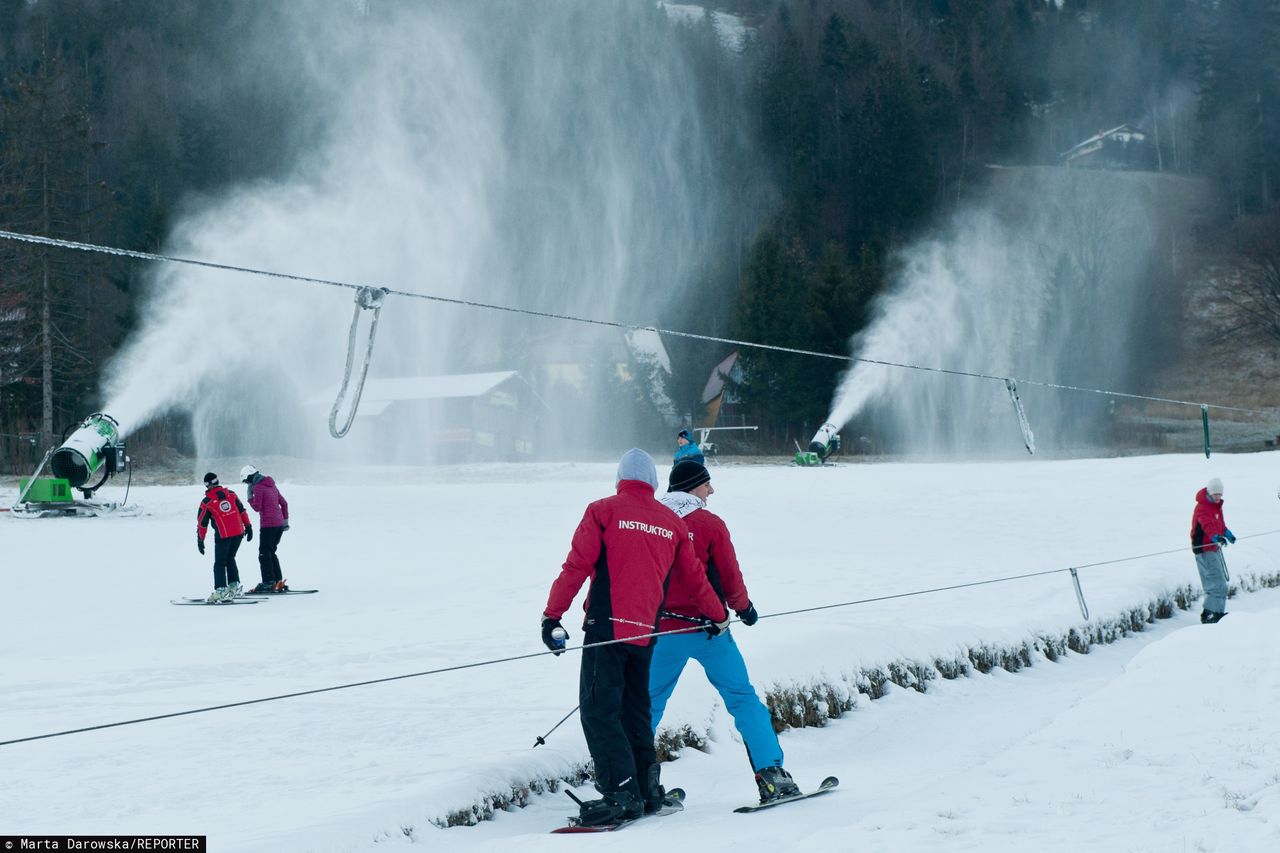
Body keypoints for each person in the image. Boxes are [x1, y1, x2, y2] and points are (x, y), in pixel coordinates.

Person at [541, 448, 730, 827]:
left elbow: (576, 566)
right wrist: (719, 616)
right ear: (654, 483)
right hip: (646, 633)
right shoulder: (671, 522)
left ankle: (619, 793)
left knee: (599, 710)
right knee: (634, 711)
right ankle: (647, 789)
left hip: (607, 629)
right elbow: (695, 578)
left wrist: (552, 616)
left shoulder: (603, 511)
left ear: (620, 480)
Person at [651, 459, 801, 804]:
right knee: (743, 699)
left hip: (663, 632)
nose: (711, 491)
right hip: (710, 632)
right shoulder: (709, 524)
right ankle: (772, 776)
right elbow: (729, 574)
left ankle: (636, 783)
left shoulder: (653, 521)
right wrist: (744, 608)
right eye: (707, 484)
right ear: (693, 486)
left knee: (647, 705)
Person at [197, 472, 253, 602]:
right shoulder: (231, 494)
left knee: (220, 563)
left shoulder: (206, 502)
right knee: (230, 559)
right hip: (238, 533)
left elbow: (202, 524)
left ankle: (221, 591)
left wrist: (200, 540)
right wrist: (248, 527)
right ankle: (234, 587)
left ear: (207, 485)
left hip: (224, 536)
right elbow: (242, 511)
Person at [1190, 476, 1235, 624]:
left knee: (1218, 582)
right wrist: (1215, 536)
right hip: (1203, 548)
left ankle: (1213, 612)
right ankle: (1212, 614)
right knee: (1217, 583)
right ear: (1209, 492)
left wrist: (1226, 533)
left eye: (1220, 494)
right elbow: (1207, 525)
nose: (1217, 497)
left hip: (1212, 547)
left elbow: (1218, 524)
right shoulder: (1202, 507)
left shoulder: (1216, 506)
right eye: (1215, 494)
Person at [241, 465, 290, 593]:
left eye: (246, 481)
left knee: (264, 553)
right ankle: (278, 581)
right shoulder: (271, 484)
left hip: (268, 525)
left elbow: (257, 507)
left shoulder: (258, 487)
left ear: (249, 477)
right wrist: (285, 522)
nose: (247, 484)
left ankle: (268, 582)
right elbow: (284, 503)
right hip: (279, 524)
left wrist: (250, 497)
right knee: (271, 552)